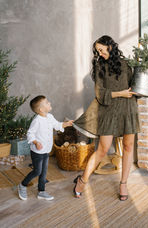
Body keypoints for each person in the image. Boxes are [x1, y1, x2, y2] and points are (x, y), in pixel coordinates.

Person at [73, 35, 140, 201]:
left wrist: (146, 85)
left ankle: (123, 183)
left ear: (110, 46)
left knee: (128, 146)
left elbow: (135, 89)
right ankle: (82, 180)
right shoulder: (99, 67)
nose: (100, 53)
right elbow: (100, 94)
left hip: (128, 109)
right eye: (97, 51)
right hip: (108, 110)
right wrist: (120, 93)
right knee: (102, 149)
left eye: (102, 49)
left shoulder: (126, 65)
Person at [18, 95, 73, 201]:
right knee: (37, 171)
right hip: (37, 152)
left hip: (46, 150)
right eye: (47, 102)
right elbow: (30, 133)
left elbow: (57, 125)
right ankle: (22, 185)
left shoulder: (50, 117)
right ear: (41, 109)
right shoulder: (37, 121)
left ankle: (41, 191)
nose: (50, 103)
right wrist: (35, 142)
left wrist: (66, 124)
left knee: (44, 171)